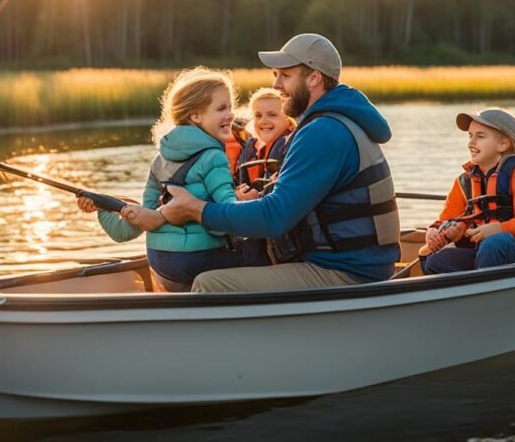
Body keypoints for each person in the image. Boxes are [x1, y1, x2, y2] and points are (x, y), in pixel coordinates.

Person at [160, 33, 401, 292]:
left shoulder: (323, 132)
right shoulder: (331, 121)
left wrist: (197, 209)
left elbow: (275, 217)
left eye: (285, 76)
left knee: (211, 283)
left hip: (346, 273)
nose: (276, 85)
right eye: (275, 75)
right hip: (348, 264)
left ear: (314, 78)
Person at [76, 67, 251, 291]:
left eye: (230, 107)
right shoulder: (214, 156)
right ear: (195, 116)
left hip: (160, 261)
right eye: (221, 108)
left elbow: (128, 231)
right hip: (199, 258)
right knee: (261, 253)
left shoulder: (159, 160)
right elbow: (227, 219)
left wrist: (101, 207)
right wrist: (247, 204)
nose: (230, 115)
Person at [419, 108, 515, 274]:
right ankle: (468, 295)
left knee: (494, 243)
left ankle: (481, 292)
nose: (471, 143)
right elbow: (446, 219)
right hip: (481, 254)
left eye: (480, 136)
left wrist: (495, 229)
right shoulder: (464, 181)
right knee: (435, 260)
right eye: (470, 136)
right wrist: (435, 232)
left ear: (503, 144)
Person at [234, 87, 296, 200]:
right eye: (258, 116)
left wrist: (256, 196)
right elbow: (238, 180)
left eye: (272, 115)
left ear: (288, 119)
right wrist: (239, 194)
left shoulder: (292, 145)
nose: (263, 121)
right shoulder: (249, 146)